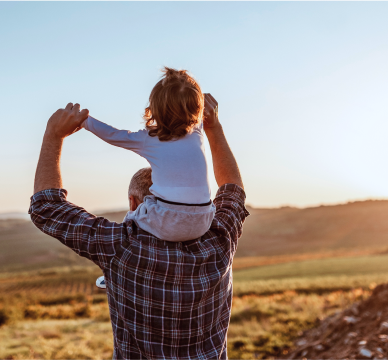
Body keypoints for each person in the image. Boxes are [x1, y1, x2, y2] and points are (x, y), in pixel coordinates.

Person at [29, 93, 248, 359]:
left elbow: (46, 208)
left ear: (134, 202)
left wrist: (54, 135)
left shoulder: (122, 246)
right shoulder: (220, 238)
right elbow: (232, 189)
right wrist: (213, 127)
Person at [82, 67, 214, 242]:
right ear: (197, 108)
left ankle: (130, 240)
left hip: (168, 223)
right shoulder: (197, 134)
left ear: (155, 108)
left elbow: (113, 135)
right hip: (204, 221)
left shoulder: (150, 139)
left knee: (136, 215)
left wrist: (84, 120)